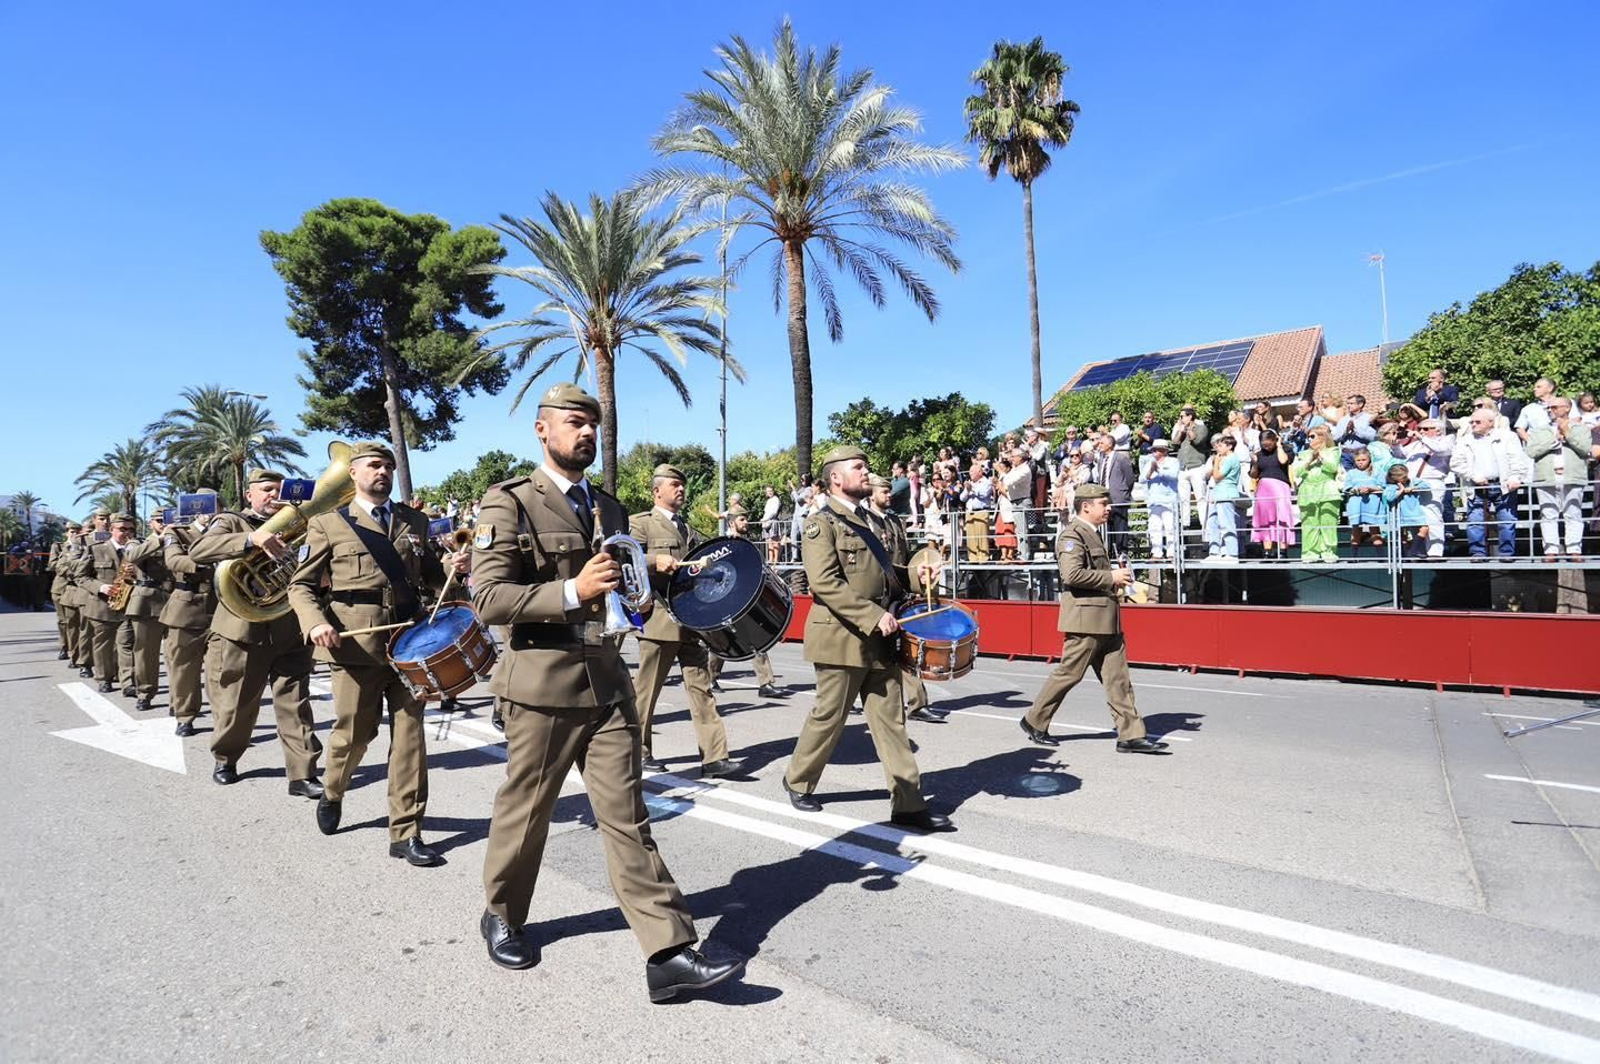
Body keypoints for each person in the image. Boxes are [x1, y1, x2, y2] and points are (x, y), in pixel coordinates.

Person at [470, 383, 744, 999]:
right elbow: (487, 599)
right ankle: (503, 914)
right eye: (574, 422)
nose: (586, 432)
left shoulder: (612, 511)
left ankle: (668, 953)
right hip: (540, 687)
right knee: (528, 812)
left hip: (608, 683)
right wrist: (573, 592)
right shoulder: (510, 501)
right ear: (543, 431)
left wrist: (640, 594)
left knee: (627, 818)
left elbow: (625, 596)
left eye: (592, 424)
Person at [289, 442, 467, 866]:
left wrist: (454, 568)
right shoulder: (329, 524)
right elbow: (302, 586)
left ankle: (405, 831)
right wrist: (315, 623)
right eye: (373, 465)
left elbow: (430, 574)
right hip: (356, 646)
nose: (382, 471)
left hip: (409, 644)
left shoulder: (415, 521)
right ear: (353, 473)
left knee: (410, 740)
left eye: (388, 465)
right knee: (354, 736)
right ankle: (333, 790)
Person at [784, 445, 951, 831]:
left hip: (881, 637)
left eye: (865, 466)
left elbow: (888, 571)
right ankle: (797, 780)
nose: (866, 472)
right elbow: (824, 583)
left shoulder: (872, 522)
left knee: (892, 722)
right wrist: (873, 616)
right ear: (836, 478)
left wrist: (916, 576)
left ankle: (908, 804)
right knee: (829, 717)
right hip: (841, 638)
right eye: (858, 467)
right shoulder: (820, 523)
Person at [187, 469, 324, 797]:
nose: (272, 496)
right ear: (249, 494)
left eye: (278, 490)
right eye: (265, 490)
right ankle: (226, 758)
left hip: (289, 628)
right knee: (238, 704)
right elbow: (199, 550)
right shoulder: (232, 521)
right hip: (241, 630)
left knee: (295, 702)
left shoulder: (299, 524)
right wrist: (251, 539)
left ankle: (302, 773)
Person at [1020, 482, 1168, 754]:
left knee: (1118, 679)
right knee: (1068, 674)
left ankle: (1130, 735)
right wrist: (1110, 577)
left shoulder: (1093, 534)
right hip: (1085, 621)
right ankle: (1034, 720)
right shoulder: (1072, 535)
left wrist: (1114, 582)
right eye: (1103, 504)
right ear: (1085, 506)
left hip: (1106, 618)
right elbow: (1071, 575)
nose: (1109, 508)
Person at [630, 463, 739, 778]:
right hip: (659, 621)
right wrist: (653, 560)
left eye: (682, 485)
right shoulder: (642, 524)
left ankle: (714, 757)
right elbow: (625, 557)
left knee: (702, 689)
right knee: (647, 693)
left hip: (690, 622)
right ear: (657, 490)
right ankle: (638, 752)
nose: (681, 490)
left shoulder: (686, 528)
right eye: (674, 484)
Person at [865, 474, 942, 724]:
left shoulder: (896, 521)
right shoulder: (864, 522)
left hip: (900, 593)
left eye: (890, 492)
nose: (889, 496)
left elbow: (907, 556)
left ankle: (918, 703)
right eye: (884, 492)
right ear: (872, 494)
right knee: (870, 652)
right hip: (877, 595)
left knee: (907, 648)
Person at [707, 505, 784, 699]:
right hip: (727, 600)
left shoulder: (747, 544)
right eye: (742, 519)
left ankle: (765, 683)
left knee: (757, 638)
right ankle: (710, 677)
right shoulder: (722, 545)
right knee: (724, 642)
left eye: (746, 519)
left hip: (747, 598)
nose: (746, 522)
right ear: (732, 522)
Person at [161, 494, 219, 736]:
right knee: (184, 668)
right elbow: (173, 560)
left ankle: (225, 724)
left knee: (222, 672)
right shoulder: (176, 532)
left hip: (221, 607)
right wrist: (207, 562)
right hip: (186, 607)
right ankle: (185, 716)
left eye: (215, 506)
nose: (210, 512)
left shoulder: (227, 530)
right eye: (205, 507)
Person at [1450, 408, 1531, 559]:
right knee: (1474, 521)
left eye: (1477, 422)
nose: (1473, 424)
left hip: (1503, 484)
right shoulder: (1465, 440)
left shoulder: (1508, 437)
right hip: (1476, 486)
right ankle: (1477, 553)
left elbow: (1518, 460)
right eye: (1472, 422)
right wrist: (1473, 475)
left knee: (1507, 520)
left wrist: (1515, 477)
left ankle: (1507, 553)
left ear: (1490, 422)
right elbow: (1456, 464)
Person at [71, 512, 139, 694]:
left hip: (129, 604)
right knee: (103, 645)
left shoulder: (137, 550)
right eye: (122, 529)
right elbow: (80, 576)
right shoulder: (96, 549)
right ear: (111, 530)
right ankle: (104, 678)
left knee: (126, 644)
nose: (127, 533)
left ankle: (128, 682)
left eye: (131, 529)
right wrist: (101, 587)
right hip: (103, 605)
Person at [1525, 397, 1591, 562]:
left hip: (1572, 476)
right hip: (1546, 477)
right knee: (1548, 514)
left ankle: (1574, 550)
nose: (1550, 411)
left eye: (1554, 407)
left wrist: (1567, 433)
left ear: (1567, 408)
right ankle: (1550, 552)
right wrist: (1552, 441)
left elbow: (1585, 449)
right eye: (1548, 408)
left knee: (1573, 513)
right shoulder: (1540, 430)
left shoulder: (1580, 428)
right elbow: (1531, 451)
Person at [1402, 419, 1452, 557]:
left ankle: (1435, 551)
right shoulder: (1417, 444)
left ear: (1438, 430)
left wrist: (1421, 437)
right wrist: (1394, 444)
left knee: (1433, 516)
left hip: (1432, 482)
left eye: (1425, 429)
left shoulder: (1446, 440)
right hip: (1413, 483)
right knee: (1415, 517)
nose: (1421, 431)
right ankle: (1419, 550)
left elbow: (1441, 450)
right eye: (1420, 429)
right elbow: (1400, 454)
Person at [1294, 425, 1343, 562]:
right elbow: (1297, 472)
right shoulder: (1303, 454)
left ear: (1322, 437)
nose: (1309, 439)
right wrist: (1309, 460)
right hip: (1307, 490)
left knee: (1328, 522)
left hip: (1327, 489)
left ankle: (1329, 551)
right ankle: (1310, 552)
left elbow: (1332, 468)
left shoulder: (1333, 451)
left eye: (1312, 436)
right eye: (1308, 436)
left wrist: (1320, 457)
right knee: (1309, 523)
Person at [1249, 429, 1295, 558]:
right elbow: (1253, 474)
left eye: (1269, 444)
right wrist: (1255, 463)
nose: (1267, 447)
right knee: (1265, 519)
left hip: (1280, 486)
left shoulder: (1285, 450)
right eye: (1264, 445)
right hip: (1263, 489)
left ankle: (1283, 551)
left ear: (1275, 440)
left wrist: (1279, 445)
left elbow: (1283, 461)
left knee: (1282, 517)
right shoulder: (1259, 454)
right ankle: (1267, 551)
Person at [47, 521, 83, 663]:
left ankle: (75, 649)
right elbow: (53, 564)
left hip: (77, 588)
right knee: (64, 621)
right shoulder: (59, 546)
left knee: (76, 622)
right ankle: (64, 646)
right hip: (61, 587)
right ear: (66, 533)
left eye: (76, 531)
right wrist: (71, 570)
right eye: (71, 531)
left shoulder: (83, 546)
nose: (74, 534)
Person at [1171, 405, 1210, 535]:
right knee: (1183, 498)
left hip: (1197, 466)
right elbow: (1175, 443)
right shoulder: (1181, 429)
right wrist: (1181, 431)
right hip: (1183, 467)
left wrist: (1190, 430)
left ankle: (1204, 524)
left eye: (1182, 416)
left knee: (1201, 498)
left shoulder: (1201, 428)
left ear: (1190, 416)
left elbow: (1197, 440)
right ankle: (1186, 524)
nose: (1180, 419)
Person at [1204, 435, 1242, 562]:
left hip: (1226, 494)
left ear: (1229, 446)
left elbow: (1217, 477)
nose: (1217, 448)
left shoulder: (1231, 459)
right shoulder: (1224, 458)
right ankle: (1214, 552)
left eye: (1220, 446)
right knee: (1213, 522)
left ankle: (1232, 553)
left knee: (1227, 524)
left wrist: (1216, 463)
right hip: (1218, 493)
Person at [1383, 464, 1433, 558]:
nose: (1406, 478)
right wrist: (1401, 490)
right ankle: (1406, 555)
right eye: (1403, 477)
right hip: (1402, 514)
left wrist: (1413, 488)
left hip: (1414, 512)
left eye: (1406, 476)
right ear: (1395, 478)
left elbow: (1426, 485)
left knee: (1424, 529)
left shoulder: (1412, 481)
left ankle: (1413, 551)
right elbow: (1389, 497)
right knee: (1403, 536)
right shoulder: (1391, 486)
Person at [1343, 448, 1387, 555]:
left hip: (1372, 505)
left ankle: (1381, 557)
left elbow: (1383, 487)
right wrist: (1355, 490)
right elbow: (1347, 488)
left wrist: (1371, 489)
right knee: (1356, 530)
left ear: (1369, 459)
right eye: (1358, 460)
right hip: (1356, 506)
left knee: (1374, 531)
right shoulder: (1351, 473)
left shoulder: (1377, 471)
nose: (1361, 462)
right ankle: (1353, 557)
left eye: (1363, 460)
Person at [1142, 440, 1180, 561]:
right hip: (1153, 500)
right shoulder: (1149, 463)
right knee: (1154, 528)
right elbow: (1142, 478)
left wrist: (1158, 470)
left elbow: (1174, 475)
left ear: (1164, 451)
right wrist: (1151, 471)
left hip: (1168, 500)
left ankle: (1171, 553)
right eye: (1153, 450)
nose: (1153, 452)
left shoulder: (1174, 461)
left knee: (1170, 528)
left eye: (1156, 450)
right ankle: (1156, 553)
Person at [1334, 394, 1376, 469]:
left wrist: (1356, 431)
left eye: (1351, 403)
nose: (1348, 406)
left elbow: (1373, 437)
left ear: (1360, 404)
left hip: (1362, 455)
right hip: (1346, 455)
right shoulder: (1343, 419)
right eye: (1348, 403)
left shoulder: (1369, 418)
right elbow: (1336, 438)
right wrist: (1345, 433)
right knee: (1346, 478)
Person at [961, 463, 994, 562]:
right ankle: (973, 558)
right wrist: (967, 490)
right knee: (971, 538)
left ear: (980, 472)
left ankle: (983, 558)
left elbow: (984, 494)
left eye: (972, 471)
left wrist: (972, 489)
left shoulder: (986, 482)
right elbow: (962, 498)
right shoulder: (970, 483)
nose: (970, 473)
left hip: (981, 512)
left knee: (982, 537)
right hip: (970, 512)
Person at [1514, 377, 1558, 442]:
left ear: (1550, 388)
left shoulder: (1565, 404)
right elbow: (1520, 429)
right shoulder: (1528, 409)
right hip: (1537, 446)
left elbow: (1575, 422)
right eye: (1534, 387)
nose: (1534, 389)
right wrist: (1531, 442)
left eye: (1538, 387)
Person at [761, 485, 782, 564]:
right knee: (769, 541)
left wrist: (767, 519)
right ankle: (770, 558)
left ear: (773, 491)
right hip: (766, 522)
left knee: (774, 540)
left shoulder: (776, 499)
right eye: (767, 491)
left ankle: (776, 559)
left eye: (770, 490)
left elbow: (774, 512)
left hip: (772, 521)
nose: (769, 492)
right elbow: (766, 512)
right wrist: (764, 520)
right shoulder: (768, 501)